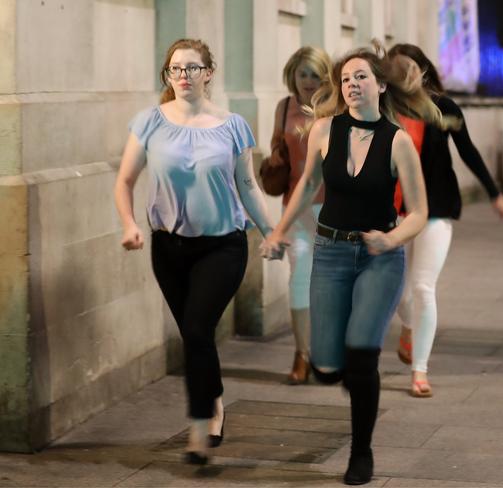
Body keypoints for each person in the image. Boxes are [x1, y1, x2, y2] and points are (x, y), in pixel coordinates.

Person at [262, 42, 444, 485]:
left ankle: (361, 453)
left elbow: (418, 212)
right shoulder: (324, 130)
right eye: (345, 79)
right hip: (330, 251)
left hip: (379, 257)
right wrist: (279, 230)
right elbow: (307, 187)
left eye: (361, 76)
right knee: (326, 366)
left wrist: (392, 238)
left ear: (380, 85)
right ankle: (339, 369)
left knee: (362, 354)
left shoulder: (397, 141)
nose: (351, 84)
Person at [114, 38, 276, 465]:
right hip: (169, 246)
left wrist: (272, 233)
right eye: (175, 69)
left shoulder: (233, 125)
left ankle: (199, 429)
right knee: (194, 334)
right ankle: (215, 398)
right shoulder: (149, 122)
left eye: (192, 67)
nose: (183, 75)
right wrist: (130, 225)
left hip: (223, 246)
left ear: (208, 73)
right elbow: (125, 182)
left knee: (199, 329)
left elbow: (247, 187)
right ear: (168, 76)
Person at [387, 44, 503, 398]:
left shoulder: (442, 108)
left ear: (423, 71)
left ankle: (419, 371)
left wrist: (493, 192)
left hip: (435, 208)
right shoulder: (386, 109)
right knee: (397, 292)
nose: (404, 76)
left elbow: (467, 149)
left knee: (423, 287)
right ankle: (409, 326)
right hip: (392, 211)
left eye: (409, 68)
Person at [268, 47, 332, 384]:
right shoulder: (284, 108)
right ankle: (302, 353)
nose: (308, 81)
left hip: (334, 209)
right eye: (302, 74)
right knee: (299, 277)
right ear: (292, 74)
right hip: (296, 207)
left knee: (331, 282)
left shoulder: (336, 108)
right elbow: (280, 150)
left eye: (315, 74)